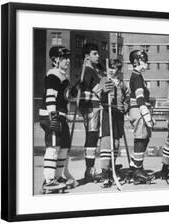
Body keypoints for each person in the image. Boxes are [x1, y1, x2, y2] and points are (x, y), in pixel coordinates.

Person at [39, 45, 74, 192]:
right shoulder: (53, 75)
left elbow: (64, 97)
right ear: (55, 60)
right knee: (53, 148)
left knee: (63, 147)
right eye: (64, 58)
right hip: (52, 117)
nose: (67, 61)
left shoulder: (63, 76)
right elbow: (50, 97)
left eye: (68, 58)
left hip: (61, 117)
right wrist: (53, 116)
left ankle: (58, 177)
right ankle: (48, 180)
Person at [79, 43, 114, 182]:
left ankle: (90, 169)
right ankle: (89, 169)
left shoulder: (92, 70)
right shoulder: (87, 70)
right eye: (95, 54)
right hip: (90, 107)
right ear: (87, 56)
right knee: (91, 137)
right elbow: (95, 90)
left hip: (95, 106)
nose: (98, 56)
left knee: (93, 137)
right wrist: (106, 83)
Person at [99, 59, 130, 188]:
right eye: (110, 68)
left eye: (115, 68)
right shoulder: (104, 80)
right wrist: (104, 92)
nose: (112, 71)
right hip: (107, 112)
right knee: (107, 142)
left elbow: (127, 96)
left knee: (116, 142)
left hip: (118, 114)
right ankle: (105, 173)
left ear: (118, 70)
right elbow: (99, 94)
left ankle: (112, 167)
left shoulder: (122, 83)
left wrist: (125, 106)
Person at [128, 50, 155, 184]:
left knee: (143, 138)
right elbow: (140, 98)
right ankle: (137, 170)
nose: (146, 63)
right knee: (141, 139)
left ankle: (134, 167)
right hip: (139, 111)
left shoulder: (137, 76)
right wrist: (146, 115)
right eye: (144, 60)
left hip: (138, 111)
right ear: (136, 62)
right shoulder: (137, 77)